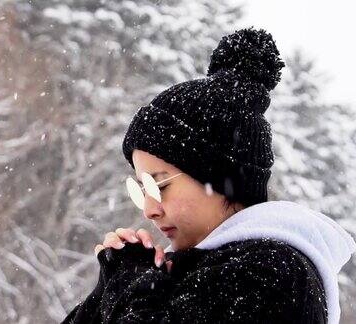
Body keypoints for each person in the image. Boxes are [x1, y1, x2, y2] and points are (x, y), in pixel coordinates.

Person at [61, 27, 356, 324]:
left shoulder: (273, 274)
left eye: (158, 184)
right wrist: (107, 291)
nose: (149, 210)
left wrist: (130, 284)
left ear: (220, 179)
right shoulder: (187, 271)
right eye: (140, 189)